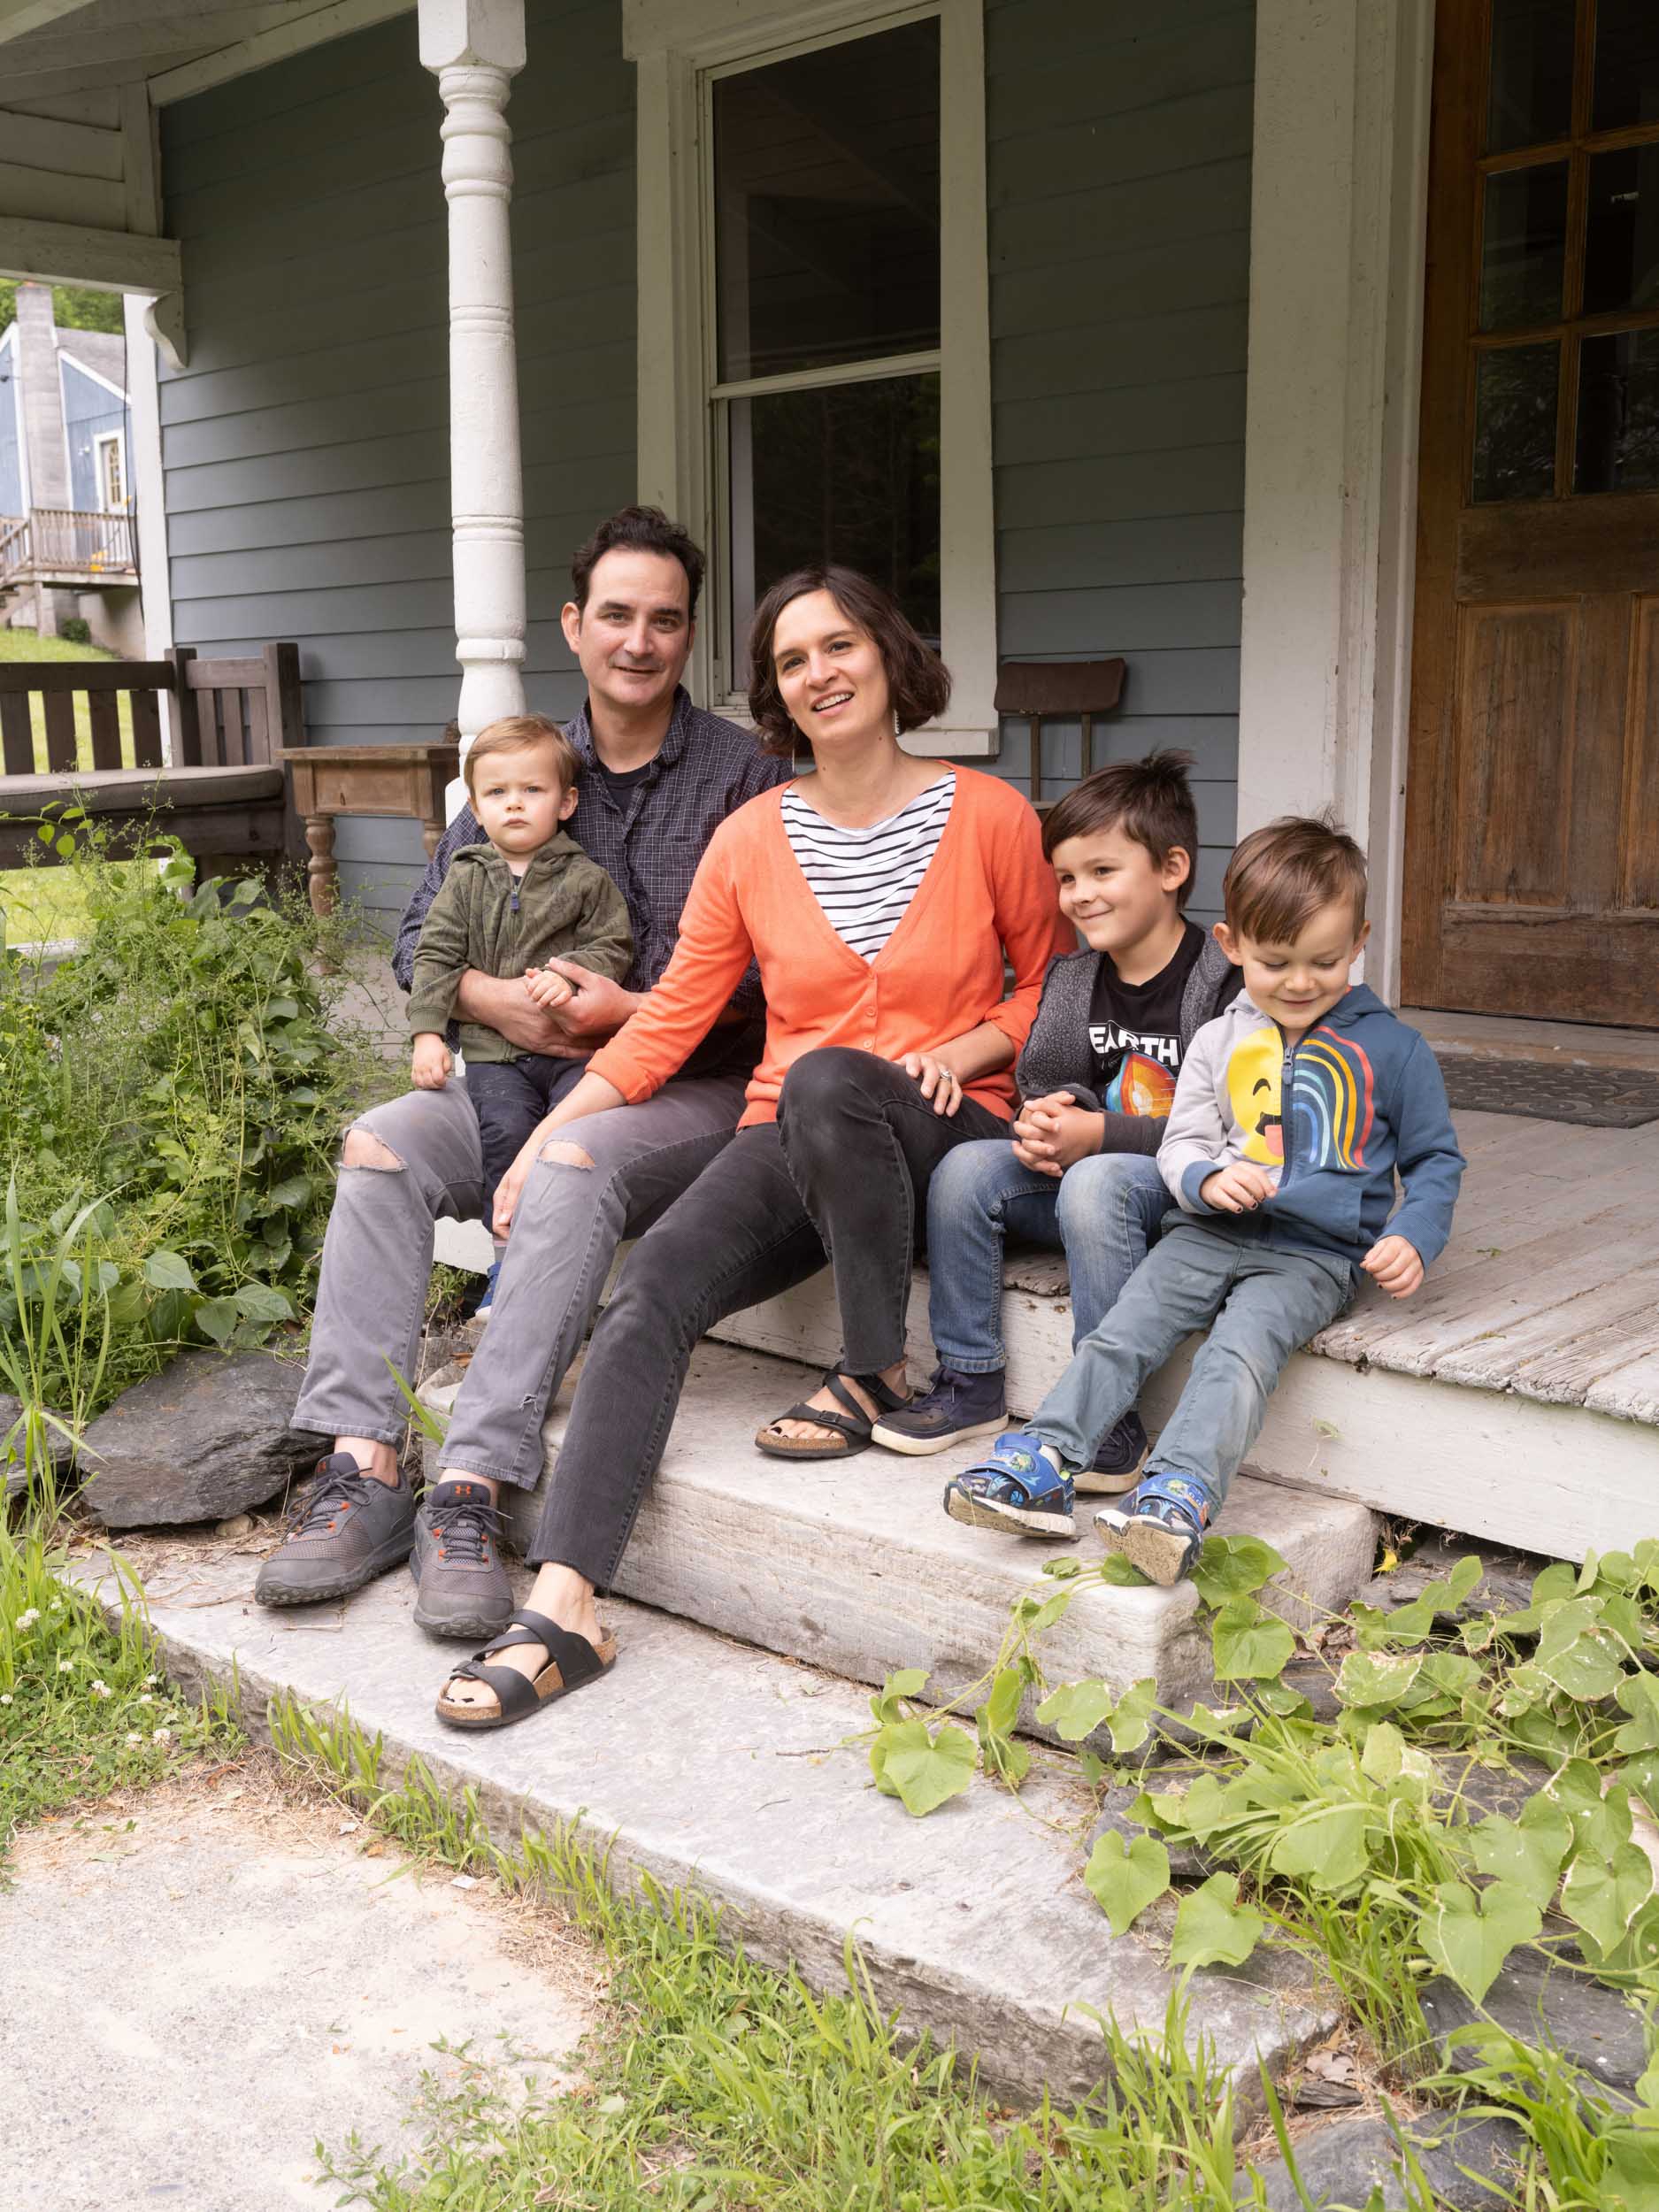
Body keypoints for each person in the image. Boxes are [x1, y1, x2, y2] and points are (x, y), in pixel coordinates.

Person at [427, 565, 1070, 1731]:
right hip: (793, 1129)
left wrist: (970, 1043)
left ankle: (877, 1366)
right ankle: (567, 1602)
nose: (817, 674)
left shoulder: (988, 816)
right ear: (773, 691)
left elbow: (1052, 986)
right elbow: (668, 1020)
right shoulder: (749, 838)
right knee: (653, 1287)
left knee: (830, 1073)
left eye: (838, 646)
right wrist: (548, 1140)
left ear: (885, 654)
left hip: (947, 1120)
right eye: (789, 660)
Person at [255, 506, 791, 1640]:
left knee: (574, 1164)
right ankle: (365, 1467)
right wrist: (495, 1000)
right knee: (380, 1145)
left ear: (687, 635)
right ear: (573, 624)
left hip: (684, 1085)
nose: (637, 641)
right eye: (615, 616)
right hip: (508, 1068)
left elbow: (776, 987)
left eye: (664, 620)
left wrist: (629, 1010)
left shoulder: (748, 779)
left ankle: (474, 1487)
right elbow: (417, 936)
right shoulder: (519, 765)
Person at [941, 815, 1464, 1580]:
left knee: (1237, 1355)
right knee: (1122, 1333)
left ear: (1358, 942)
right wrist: (1206, 1180)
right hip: (1203, 1231)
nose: (1297, 983)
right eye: (1273, 961)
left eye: (1323, 962)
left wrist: (1413, 1235)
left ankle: (1178, 1493)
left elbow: (1434, 1160)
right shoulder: (1220, 1040)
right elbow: (1182, 1141)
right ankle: (1046, 1458)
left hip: (1312, 1257)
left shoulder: (1394, 1049)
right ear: (1230, 946)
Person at [872, 753, 1240, 1483]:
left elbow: (1231, 1131)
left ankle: (1106, 1414)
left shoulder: (1223, 983)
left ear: (1171, 869)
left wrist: (1098, 1137)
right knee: (966, 1169)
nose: (1078, 896)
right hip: (1087, 1185)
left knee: (1097, 1181)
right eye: (1066, 878)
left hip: (1194, 1196)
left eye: (1102, 873)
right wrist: (1047, 1123)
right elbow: (1045, 1080)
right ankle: (971, 1380)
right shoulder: (1075, 979)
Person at [406, 713, 634, 1309]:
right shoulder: (465, 878)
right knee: (505, 1136)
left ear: (565, 802)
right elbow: (434, 954)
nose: (514, 805)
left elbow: (613, 945)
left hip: (571, 1052)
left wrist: (572, 973)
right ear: (476, 809)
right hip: (495, 1056)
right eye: (497, 793)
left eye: (532, 790)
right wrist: (429, 1035)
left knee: (570, 1146)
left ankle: (565, 1270)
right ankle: (506, 1270)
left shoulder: (586, 879)